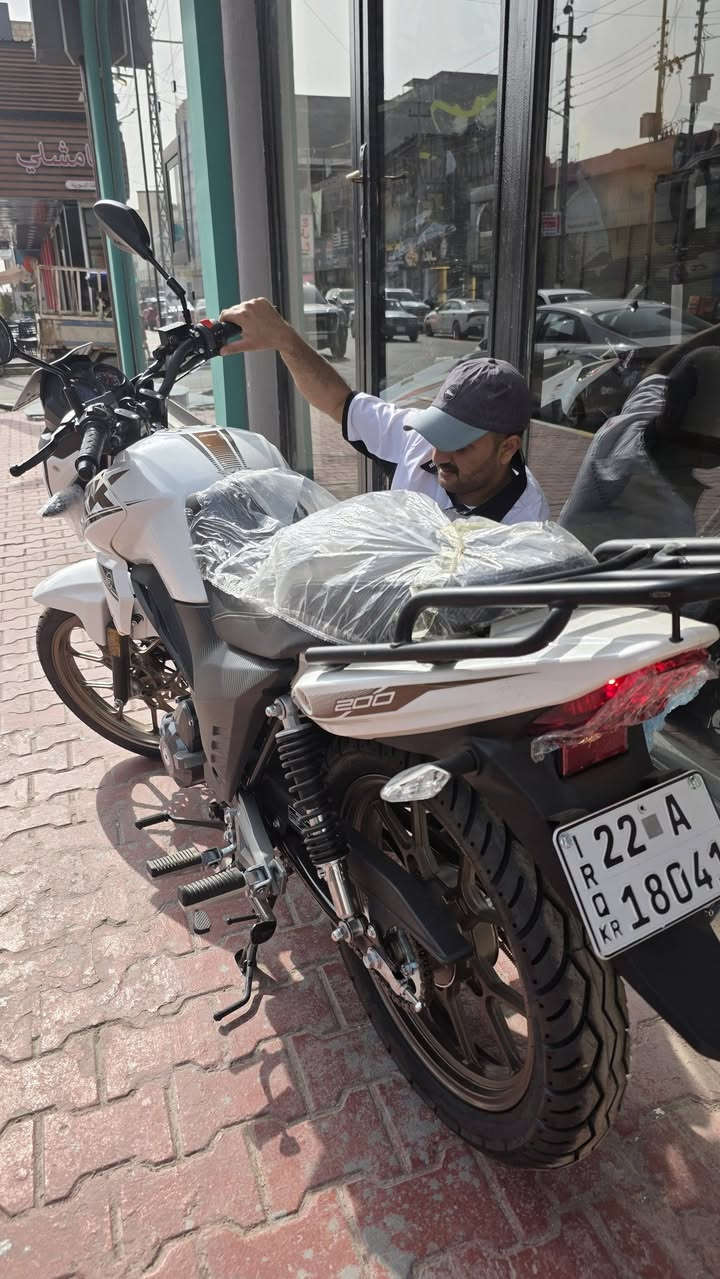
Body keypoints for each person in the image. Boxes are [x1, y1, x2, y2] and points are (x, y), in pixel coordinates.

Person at [218, 297, 548, 525]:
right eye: (436, 434)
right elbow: (337, 401)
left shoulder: (526, 527)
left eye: (459, 445)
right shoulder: (416, 443)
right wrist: (285, 340)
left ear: (507, 448)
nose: (439, 456)